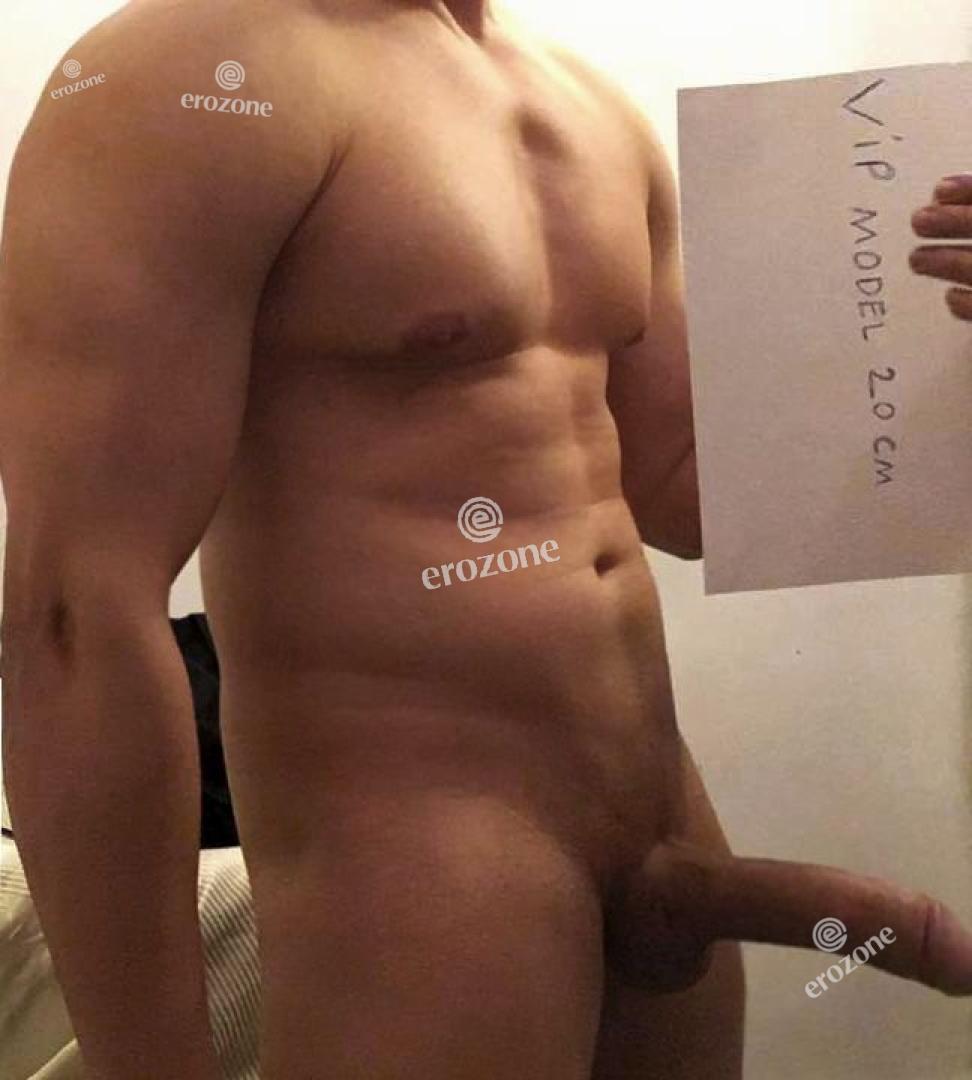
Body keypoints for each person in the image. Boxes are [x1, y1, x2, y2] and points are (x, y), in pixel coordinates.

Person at [1, 1, 970, 1077]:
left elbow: (686, 498)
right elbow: (71, 613)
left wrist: (948, 347)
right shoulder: (185, 71)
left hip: (665, 814)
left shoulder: (589, 103)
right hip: (427, 853)